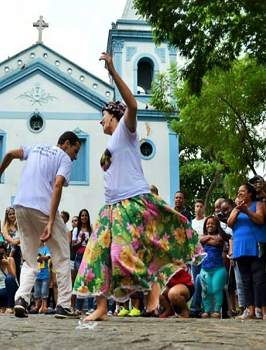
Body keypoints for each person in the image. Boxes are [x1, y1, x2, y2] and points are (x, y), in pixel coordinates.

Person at [73, 53, 201, 322]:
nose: (100, 121)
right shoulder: (112, 143)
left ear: (114, 116)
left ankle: (154, 288)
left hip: (130, 203)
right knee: (98, 255)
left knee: (124, 255)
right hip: (110, 208)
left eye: (103, 116)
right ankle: (101, 308)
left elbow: (132, 103)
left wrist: (113, 71)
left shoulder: (126, 131)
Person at [0, 131, 81, 319]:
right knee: (63, 255)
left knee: (29, 258)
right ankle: (64, 305)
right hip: (42, 207)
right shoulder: (63, 158)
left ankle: (21, 299)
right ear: (66, 143)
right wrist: (49, 221)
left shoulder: (35, 147)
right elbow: (57, 186)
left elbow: (8, 155)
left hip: (21, 205)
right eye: (75, 150)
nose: (75, 156)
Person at [228, 184, 266, 320]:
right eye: (238, 191)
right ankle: (250, 310)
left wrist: (247, 211)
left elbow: (260, 220)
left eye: (242, 191)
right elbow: (229, 223)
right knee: (246, 280)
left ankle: (264, 311)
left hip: (255, 244)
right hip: (240, 247)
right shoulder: (236, 209)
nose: (239, 193)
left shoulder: (257, 204)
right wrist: (238, 210)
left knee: (259, 278)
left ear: (250, 193)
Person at [199, 216, 229, 318]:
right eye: (208, 223)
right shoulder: (201, 236)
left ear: (217, 226)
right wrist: (210, 237)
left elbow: (217, 242)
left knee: (216, 290)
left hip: (218, 268)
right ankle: (206, 311)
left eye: (212, 223)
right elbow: (200, 241)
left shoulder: (220, 237)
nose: (210, 225)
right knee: (206, 290)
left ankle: (216, 310)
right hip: (205, 268)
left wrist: (206, 240)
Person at [72, 209, 94, 313]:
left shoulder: (91, 229)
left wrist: (88, 241)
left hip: (89, 256)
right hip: (79, 256)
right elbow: (73, 246)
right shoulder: (76, 230)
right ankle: (78, 307)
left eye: (86, 216)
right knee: (79, 281)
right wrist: (82, 242)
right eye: (82, 216)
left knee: (89, 281)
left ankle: (90, 307)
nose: (84, 217)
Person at [188, 199, 205, 317]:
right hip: (194, 255)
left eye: (200, 206)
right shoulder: (191, 223)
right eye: (196, 206)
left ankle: (205, 306)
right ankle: (195, 307)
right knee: (195, 280)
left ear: (203, 208)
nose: (198, 208)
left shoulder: (206, 221)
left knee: (204, 280)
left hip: (205, 255)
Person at [2, 207, 21, 282]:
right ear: (7, 216)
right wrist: (15, 242)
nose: (12, 215)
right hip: (9, 252)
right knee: (12, 272)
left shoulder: (19, 225)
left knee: (19, 272)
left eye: (13, 214)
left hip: (20, 251)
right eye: (10, 214)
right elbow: (6, 237)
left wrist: (18, 243)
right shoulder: (5, 227)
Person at [33, 242, 51, 313]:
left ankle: (44, 306)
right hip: (36, 273)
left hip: (44, 273)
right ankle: (37, 305)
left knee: (44, 290)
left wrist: (40, 255)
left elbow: (48, 257)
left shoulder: (46, 248)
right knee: (37, 290)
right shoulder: (34, 248)